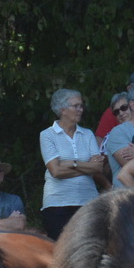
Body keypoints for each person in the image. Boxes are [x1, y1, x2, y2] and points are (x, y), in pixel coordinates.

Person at [39, 88, 106, 239]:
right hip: (57, 203)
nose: (80, 109)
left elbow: (98, 167)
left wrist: (73, 163)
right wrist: (86, 166)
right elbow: (56, 171)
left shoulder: (87, 133)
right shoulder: (47, 135)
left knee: (91, 248)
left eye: (81, 106)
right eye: (76, 106)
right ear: (62, 109)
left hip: (88, 201)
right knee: (61, 250)